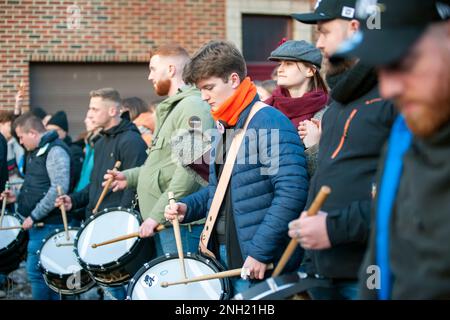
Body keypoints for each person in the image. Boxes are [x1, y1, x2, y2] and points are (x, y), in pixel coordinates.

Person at [164, 40, 309, 296]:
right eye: (200, 89)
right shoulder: (229, 127)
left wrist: (260, 252)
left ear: (233, 79)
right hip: (226, 257)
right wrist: (188, 208)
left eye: (209, 87)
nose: (204, 96)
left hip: (256, 262)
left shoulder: (267, 121)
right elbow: (220, 190)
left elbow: (291, 192)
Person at [334, 0, 450, 299]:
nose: (387, 89)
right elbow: (380, 255)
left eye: (402, 62)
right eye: (381, 67)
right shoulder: (402, 138)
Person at [287, 0, 397, 299]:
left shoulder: (393, 96)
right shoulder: (337, 103)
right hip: (325, 271)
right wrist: (309, 262)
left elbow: (405, 197)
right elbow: (326, 176)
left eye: (324, 32)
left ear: (354, 27)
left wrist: (335, 229)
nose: (318, 43)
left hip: (368, 273)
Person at [104, 44, 215, 256]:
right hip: (168, 223)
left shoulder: (192, 106)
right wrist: (129, 177)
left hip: (180, 225)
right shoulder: (174, 107)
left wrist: (156, 215)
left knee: (183, 288)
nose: (149, 76)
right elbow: (163, 164)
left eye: (153, 69)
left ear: (171, 70)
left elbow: (191, 171)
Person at [55, 88, 148, 300]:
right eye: (91, 108)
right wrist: (73, 200)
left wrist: (120, 226)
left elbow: (134, 189)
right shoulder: (100, 143)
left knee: (119, 292)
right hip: (97, 226)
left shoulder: (131, 141)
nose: (91, 113)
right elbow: (95, 186)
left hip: (117, 232)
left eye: (95, 109)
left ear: (114, 110)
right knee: (104, 291)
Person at [1, 113, 72, 300]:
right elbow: (37, 186)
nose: (21, 142)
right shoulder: (37, 150)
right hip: (38, 226)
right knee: (38, 276)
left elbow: (58, 189)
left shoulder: (55, 151)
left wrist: (33, 216)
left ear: (32, 133)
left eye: (22, 137)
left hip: (47, 226)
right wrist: (16, 198)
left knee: (44, 276)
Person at [264, 39, 329, 176]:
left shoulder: (325, 116)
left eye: (288, 64)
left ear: (310, 71)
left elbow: (328, 176)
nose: (280, 69)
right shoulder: (265, 109)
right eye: (280, 64)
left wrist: (313, 146)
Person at [46, 110, 84, 191]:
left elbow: (74, 178)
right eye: (48, 130)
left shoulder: (75, 151)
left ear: (64, 132)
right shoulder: (46, 148)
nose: (51, 133)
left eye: (55, 131)